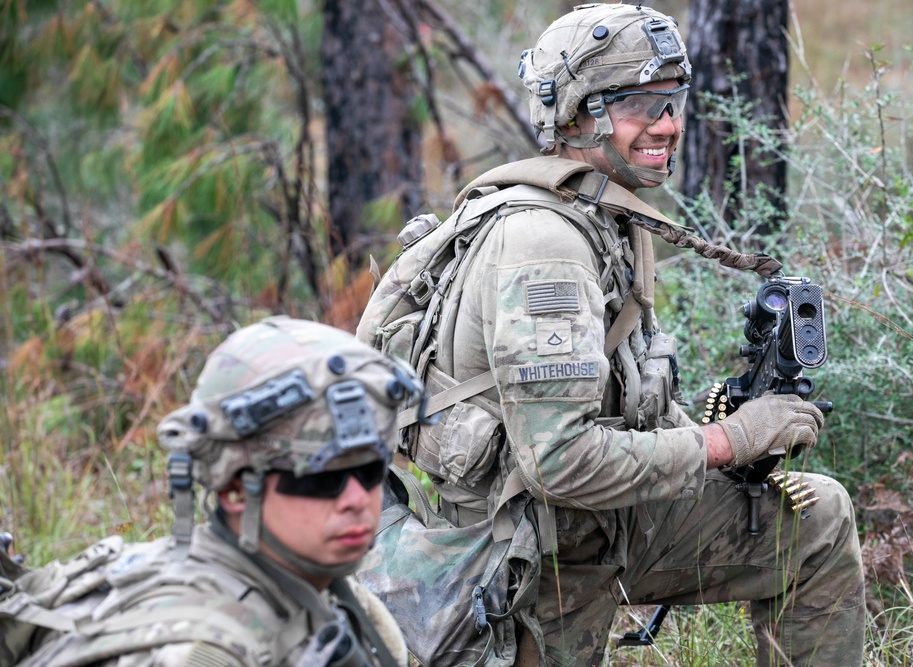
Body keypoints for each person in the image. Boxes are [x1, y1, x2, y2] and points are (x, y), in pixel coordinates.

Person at [356, 3, 865, 666]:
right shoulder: (546, 246)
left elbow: (615, 398)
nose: (668, 125)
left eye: (673, 101)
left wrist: (736, 446)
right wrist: (724, 440)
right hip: (530, 563)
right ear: (576, 114)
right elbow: (558, 461)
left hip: (596, 527)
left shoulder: (600, 212)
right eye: (639, 105)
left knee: (815, 523)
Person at [0, 316, 415, 666]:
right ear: (235, 490)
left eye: (371, 470)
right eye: (320, 478)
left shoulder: (329, 593)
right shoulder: (205, 649)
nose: (358, 499)